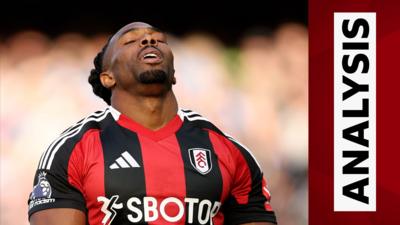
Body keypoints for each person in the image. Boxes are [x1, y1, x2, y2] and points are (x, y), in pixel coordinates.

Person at [27, 22, 277, 225]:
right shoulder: (71, 150)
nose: (149, 41)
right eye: (130, 41)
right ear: (107, 77)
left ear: (175, 73)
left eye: (159, 39)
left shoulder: (230, 151)